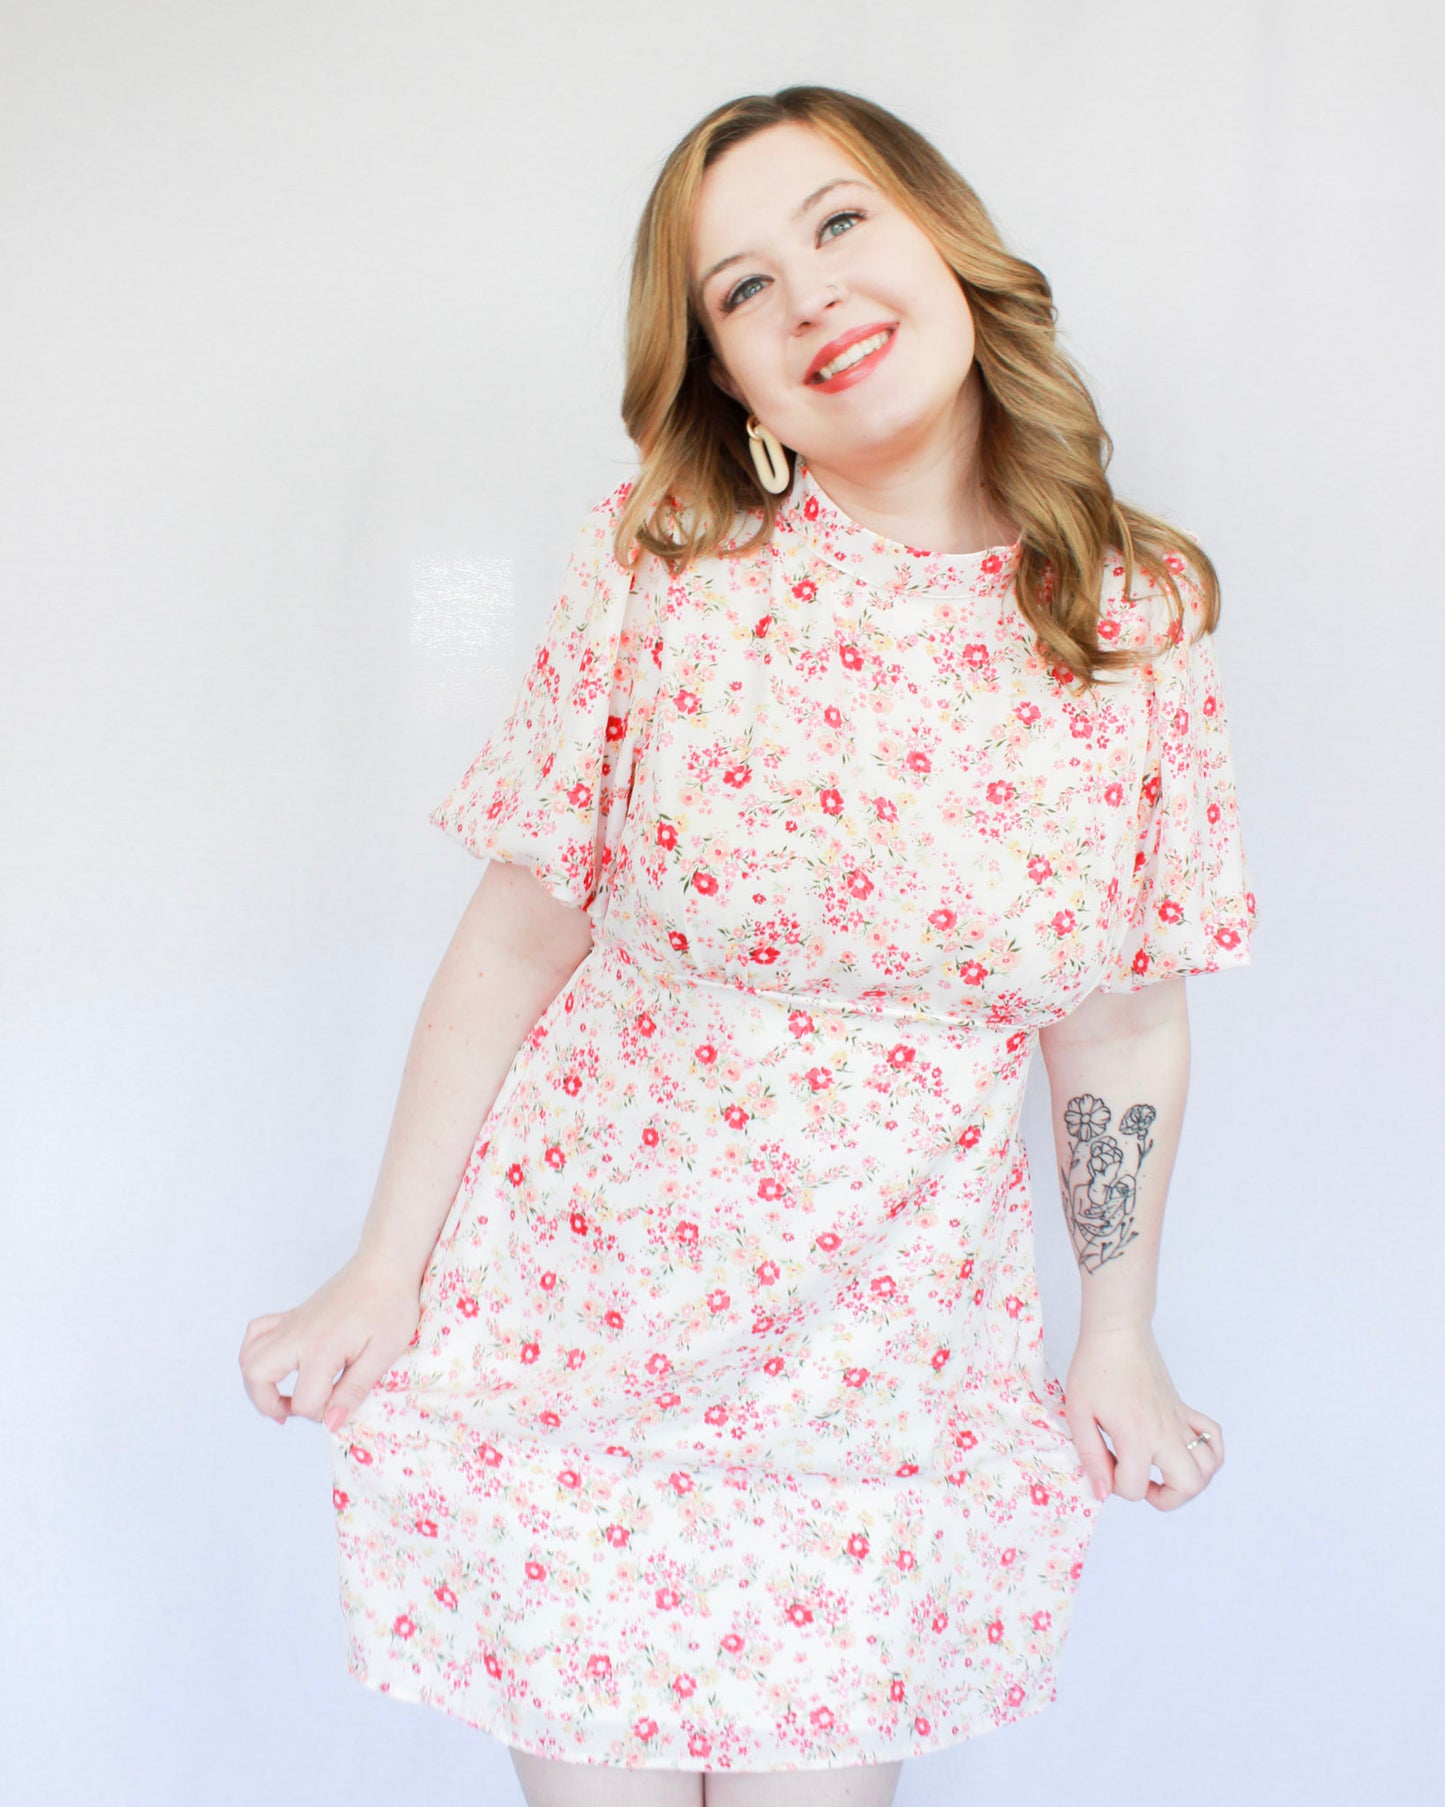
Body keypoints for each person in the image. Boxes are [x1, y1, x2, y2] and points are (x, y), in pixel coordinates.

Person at [239, 84, 1258, 1807]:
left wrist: (1115, 1332)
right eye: (741, 288)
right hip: (580, 1326)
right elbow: (515, 938)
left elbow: (1122, 1022)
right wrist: (382, 1266)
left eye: (841, 224)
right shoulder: (669, 559)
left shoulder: (1128, 616)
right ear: (725, 372)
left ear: (943, 238)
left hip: (883, 1368)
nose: (812, 299)